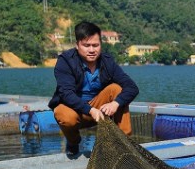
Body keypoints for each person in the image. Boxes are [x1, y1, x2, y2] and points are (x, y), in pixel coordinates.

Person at [49, 21, 139, 157]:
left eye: (95, 45)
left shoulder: (107, 61)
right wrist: (90, 110)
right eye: (86, 45)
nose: (92, 50)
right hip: (76, 110)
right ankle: (73, 142)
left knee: (116, 89)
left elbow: (132, 87)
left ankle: (125, 143)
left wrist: (115, 103)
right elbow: (66, 94)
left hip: (100, 109)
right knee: (62, 113)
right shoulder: (66, 61)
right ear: (77, 45)